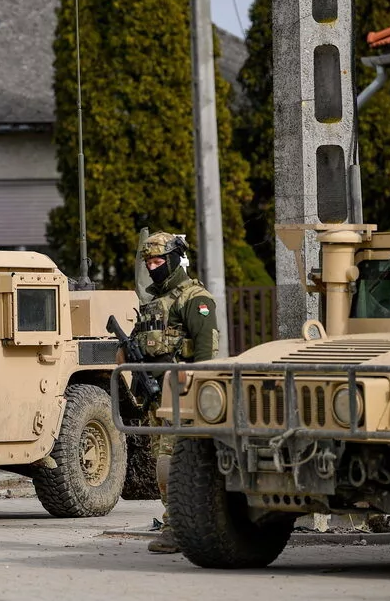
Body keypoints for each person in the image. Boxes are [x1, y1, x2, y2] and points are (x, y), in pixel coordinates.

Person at [135, 231, 219, 554]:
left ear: (172, 260)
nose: (153, 267)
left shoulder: (194, 298)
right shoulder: (153, 303)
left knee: (170, 465)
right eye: (149, 262)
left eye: (158, 260)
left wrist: (194, 387)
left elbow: (206, 353)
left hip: (180, 399)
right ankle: (176, 522)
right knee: (162, 463)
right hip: (154, 399)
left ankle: (176, 527)